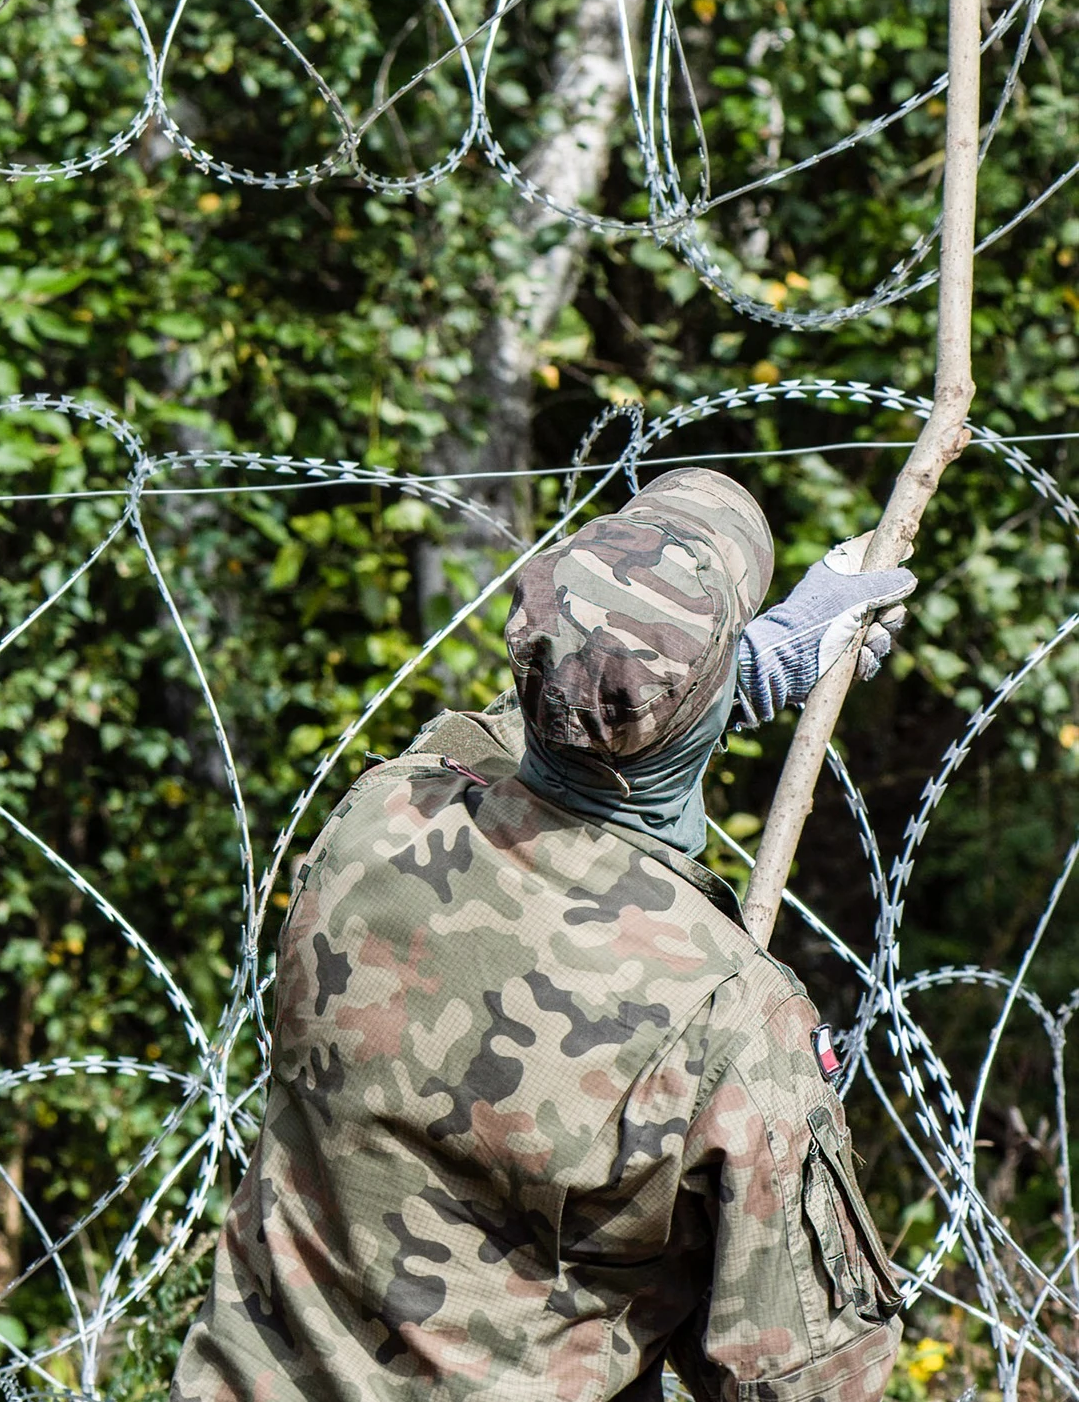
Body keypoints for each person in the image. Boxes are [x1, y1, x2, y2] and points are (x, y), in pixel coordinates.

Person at [176, 467, 917, 1402]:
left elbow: (520, 726)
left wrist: (731, 674)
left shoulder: (377, 818)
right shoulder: (730, 1015)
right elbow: (803, 1378)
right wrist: (728, 679)